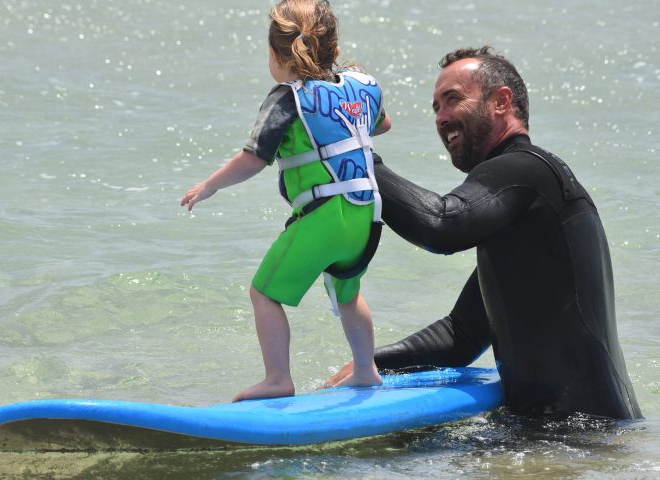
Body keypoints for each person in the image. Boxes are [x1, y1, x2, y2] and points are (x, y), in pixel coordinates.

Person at [325, 46, 642, 420]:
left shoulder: (526, 170)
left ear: (501, 101)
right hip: (570, 433)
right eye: (436, 108)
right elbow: (459, 337)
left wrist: (356, 157)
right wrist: (368, 361)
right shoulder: (527, 206)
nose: (441, 118)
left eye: (452, 99)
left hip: (576, 439)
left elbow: (442, 225)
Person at [181, 0, 392, 402]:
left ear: (278, 56)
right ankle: (366, 370)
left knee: (264, 293)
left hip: (324, 216)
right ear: (334, 49)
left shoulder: (286, 99)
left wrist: (210, 186)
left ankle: (278, 378)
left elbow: (253, 159)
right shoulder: (362, 83)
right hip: (368, 215)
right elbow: (382, 124)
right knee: (346, 292)